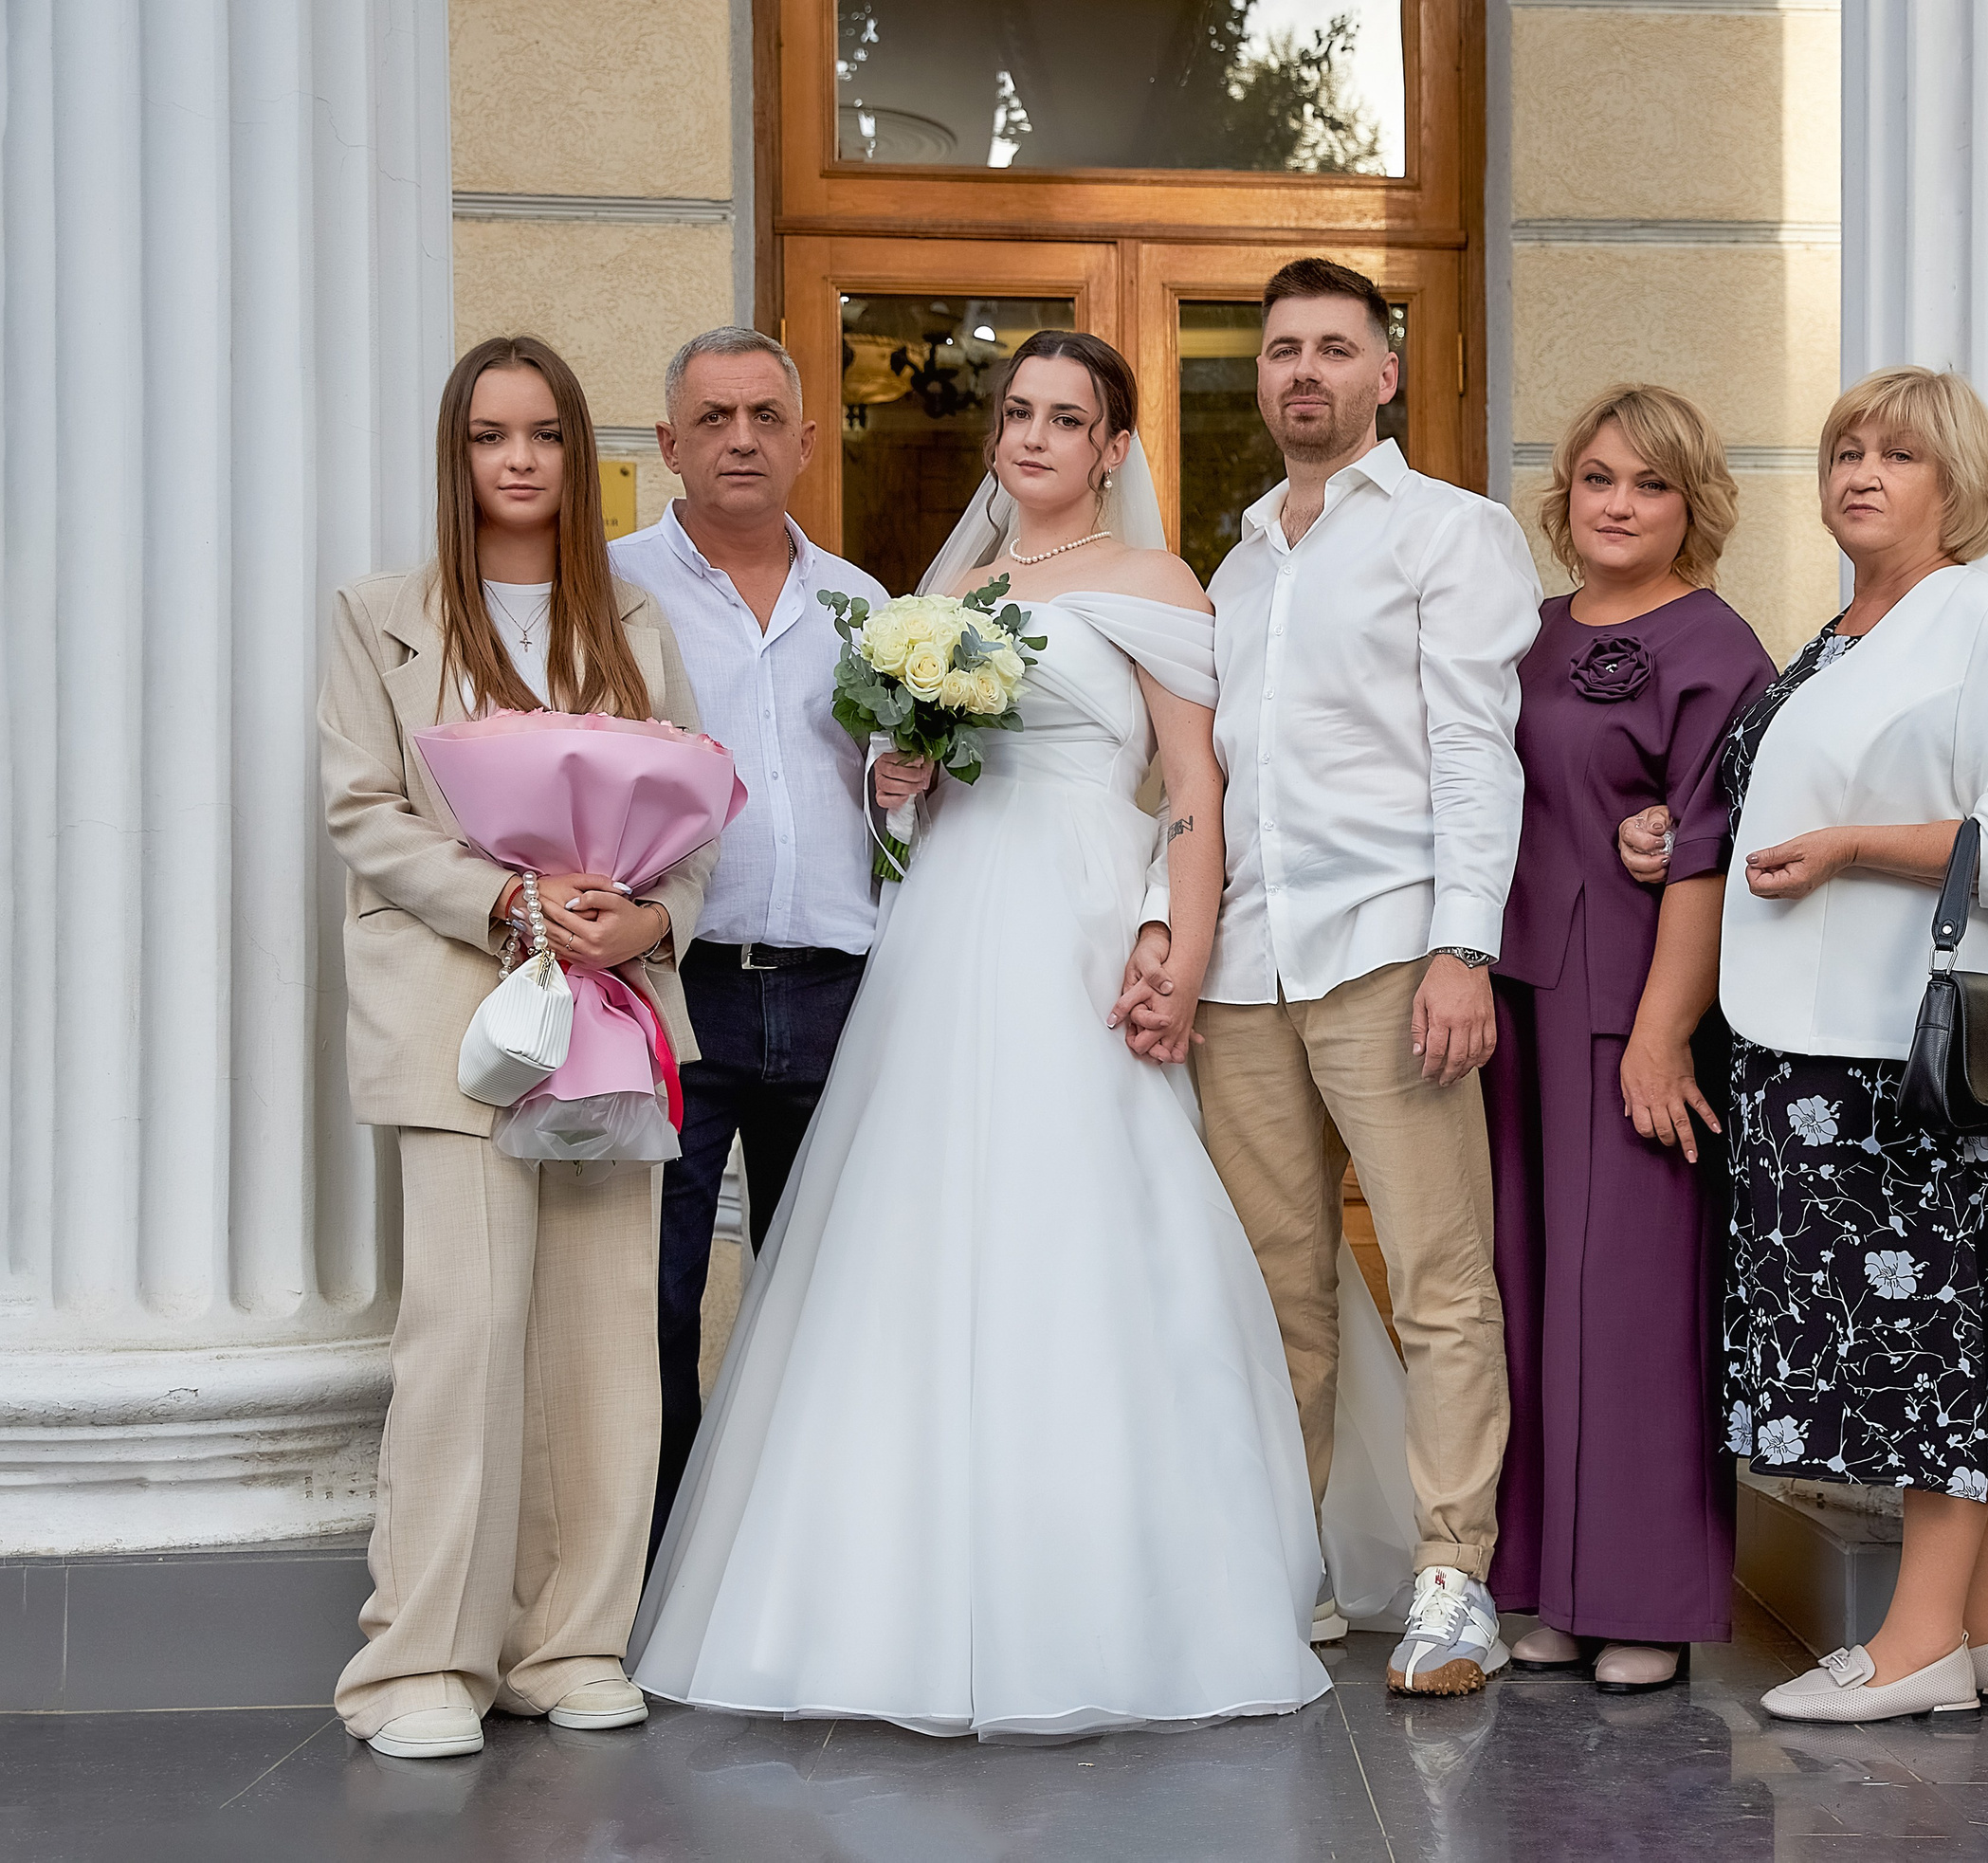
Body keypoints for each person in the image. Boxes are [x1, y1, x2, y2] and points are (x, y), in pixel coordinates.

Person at [628, 330, 1334, 1738]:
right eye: (1019, 413)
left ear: (1115, 448)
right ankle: (865, 1592)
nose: (1034, 438)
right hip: (947, 929)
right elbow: (918, 799)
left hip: (1079, 922)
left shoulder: (1154, 583)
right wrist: (901, 773)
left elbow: (1192, 779)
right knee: (912, 1230)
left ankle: (1112, 1583)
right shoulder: (942, 593)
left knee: (1082, 1225)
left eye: (1067, 419)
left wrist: (1177, 945)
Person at [1621, 366, 1988, 1722]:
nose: (1862, 472)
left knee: (1932, 1341)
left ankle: (1917, 1644)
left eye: (1898, 454)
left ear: (1957, 486)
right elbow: (1768, 805)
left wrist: (1849, 850)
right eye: (1845, 451)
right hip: (1807, 1047)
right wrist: (1670, 834)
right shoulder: (1832, 638)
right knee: (1953, 1334)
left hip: (1908, 1054)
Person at [319, 336, 716, 1760]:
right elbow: (363, 810)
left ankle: (576, 1639)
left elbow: (699, 821)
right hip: (461, 1018)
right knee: (466, 1335)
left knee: (607, 1333)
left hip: (610, 1015)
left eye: (545, 433)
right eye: (493, 436)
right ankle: (421, 1658)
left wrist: (647, 916)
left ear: (574, 449)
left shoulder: (639, 626)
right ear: (460, 455)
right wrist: (506, 899)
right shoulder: (381, 618)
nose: (522, 460)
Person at [1178, 257, 1542, 1696]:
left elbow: (1475, 748)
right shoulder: (1241, 555)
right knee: (1275, 1288)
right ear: (1258, 378)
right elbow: (1203, 776)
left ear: (1386, 373)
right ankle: (1291, 1572)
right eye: (1280, 350)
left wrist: (1464, 945)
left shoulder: (1451, 533)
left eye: (1335, 347)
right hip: (1247, 967)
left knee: (1441, 1280)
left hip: (1393, 949)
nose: (1305, 372)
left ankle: (1456, 1578)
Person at [607, 326, 924, 1557]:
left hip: (836, 986)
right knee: (657, 1289)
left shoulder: (865, 605)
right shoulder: (616, 588)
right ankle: (655, 1561)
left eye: (764, 417)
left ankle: (800, 1557)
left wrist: (908, 781)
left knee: (822, 1293)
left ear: (804, 439)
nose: (741, 439)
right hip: (673, 981)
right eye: (715, 418)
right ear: (670, 442)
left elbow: (886, 800)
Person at [1482, 385, 1777, 1694]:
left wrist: (1660, 1039)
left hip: (1631, 1008)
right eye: (1598, 478)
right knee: (1531, 1291)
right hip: (1514, 1004)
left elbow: (1706, 849)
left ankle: (1642, 1596)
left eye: (1649, 485)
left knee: (1637, 1305)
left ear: (1691, 505)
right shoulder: (1528, 633)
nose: (1617, 503)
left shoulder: (1720, 646)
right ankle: (1546, 1583)